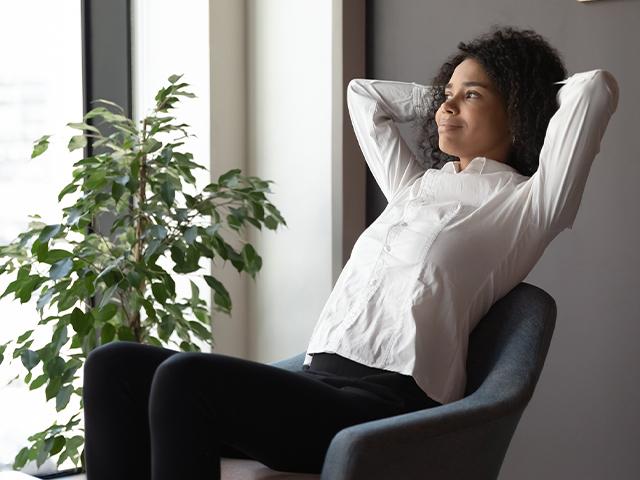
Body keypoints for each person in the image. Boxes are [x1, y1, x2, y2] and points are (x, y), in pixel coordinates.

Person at [82, 25, 619, 480]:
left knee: (186, 377)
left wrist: (538, 94)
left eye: (471, 95)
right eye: (445, 93)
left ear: (520, 110)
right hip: (313, 384)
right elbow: (365, 96)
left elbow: (595, 89)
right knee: (114, 364)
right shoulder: (415, 188)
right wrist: (444, 96)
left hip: (382, 406)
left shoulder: (528, 204)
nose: (446, 107)